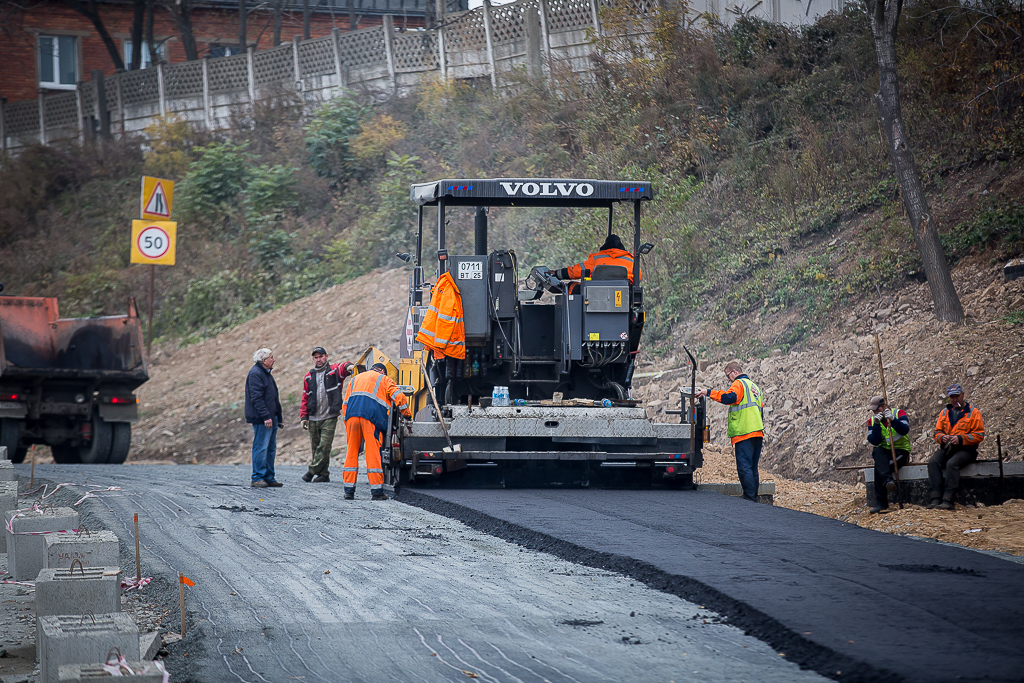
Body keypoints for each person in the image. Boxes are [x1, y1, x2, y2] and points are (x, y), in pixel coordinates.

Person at [341, 362, 412, 501]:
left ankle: (348, 491)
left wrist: (348, 425)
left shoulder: (356, 379)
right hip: (371, 419)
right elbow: (400, 397)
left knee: (351, 451)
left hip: (351, 417)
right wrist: (407, 414)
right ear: (383, 372)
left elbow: (345, 403)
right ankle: (377, 492)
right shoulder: (384, 379)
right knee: (373, 453)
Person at [695, 361, 764, 502]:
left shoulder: (739, 384)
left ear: (735, 372)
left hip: (744, 432)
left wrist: (708, 392)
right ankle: (754, 499)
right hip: (757, 432)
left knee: (744, 467)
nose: (728, 379)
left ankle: (750, 500)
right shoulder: (754, 387)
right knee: (752, 468)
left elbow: (729, 397)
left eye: (728, 375)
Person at [299, 347, 354, 483]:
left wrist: (350, 367)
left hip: (330, 415)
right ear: (313, 359)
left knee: (324, 446)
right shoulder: (308, 376)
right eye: (316, 357)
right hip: (313, 417)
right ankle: (324, 474)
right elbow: (305, 398)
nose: (319, 359)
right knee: (316, 447)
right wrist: (303, 417)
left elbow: (343, 366)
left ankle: (311, 472)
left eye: (321, 357)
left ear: (326, 356)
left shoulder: (333, 371)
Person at [928, 384, 985, 510]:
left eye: (957, 396)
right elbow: (936, 432)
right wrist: (942, 437)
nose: (955, 399)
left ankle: (948, 500)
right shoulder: (944, 412)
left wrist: (961, 439)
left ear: (962, 395)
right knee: (933, 462)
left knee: (952, 464)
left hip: (966, 450)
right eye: (952, 397)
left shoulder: (973, 412)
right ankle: (935, 498)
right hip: (947, 448)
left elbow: (979, 435)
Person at [865, 395, 911, 513]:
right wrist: (876, 425)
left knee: (879, 467)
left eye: (878, 409)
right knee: (877, 452)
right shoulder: (872, 420)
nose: (876, 412)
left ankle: (881, 503)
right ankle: (888, 482)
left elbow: (905, 429)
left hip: (900, 451)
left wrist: (893, 421)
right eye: (874, 410)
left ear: (884, 405)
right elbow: (874, 441)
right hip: (885, 453)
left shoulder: (899, 413)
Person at [245, 348, 283, 489]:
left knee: (270, 448)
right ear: (264, 360)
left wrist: (278, 416)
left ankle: (268, 477)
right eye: (271, 357)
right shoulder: (256, 374)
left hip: (271, 418)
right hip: (262, 419)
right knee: (261, 447)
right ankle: (258, 477)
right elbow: (257, 398)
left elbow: (273, 397)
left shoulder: (265, 373)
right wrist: (266, 416)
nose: (274, 359)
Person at [555, 233, 642, 287]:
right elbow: (638, 277)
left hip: (595, 297)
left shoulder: (596, 259)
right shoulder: (631, 261)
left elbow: (576, 271)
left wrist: (557, 274)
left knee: (571, 286)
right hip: (622, 298)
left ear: (606, 245)